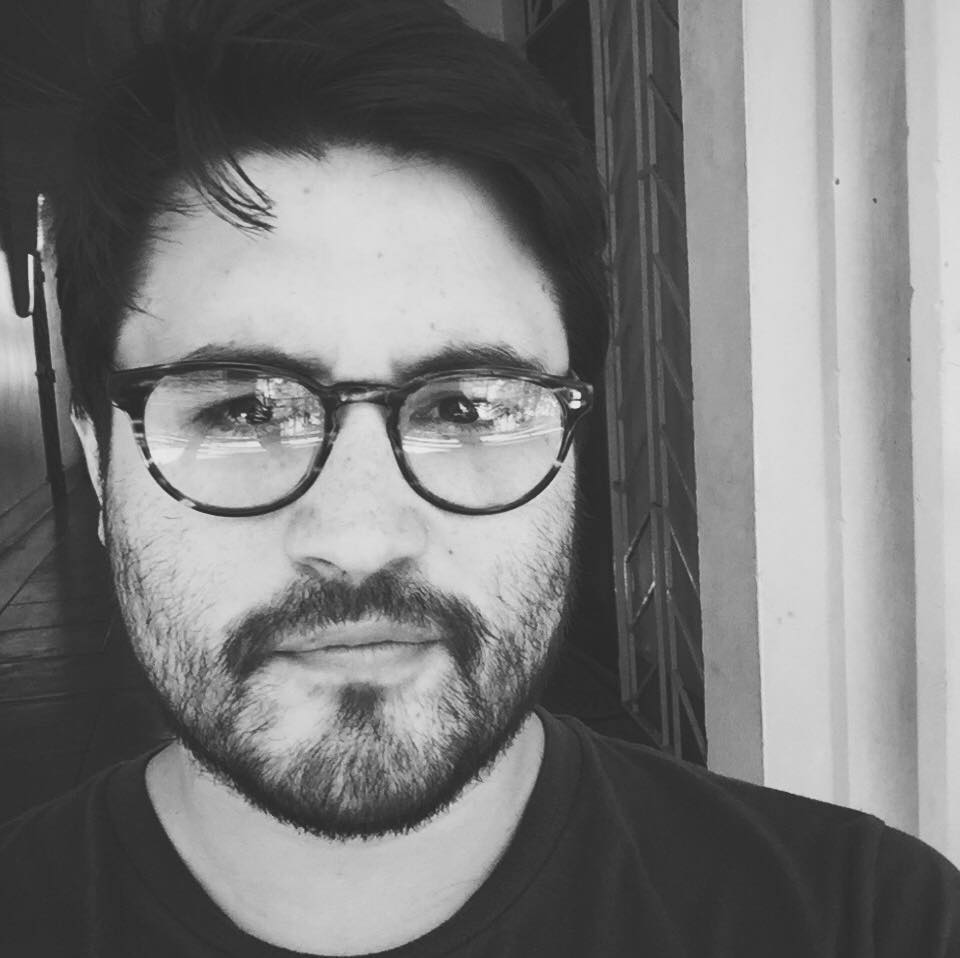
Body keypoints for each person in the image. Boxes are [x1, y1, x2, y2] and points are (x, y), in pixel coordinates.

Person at [1, 1, 958, 954]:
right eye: (244, 412)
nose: (361, 537)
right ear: (101, 462)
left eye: (466, 408)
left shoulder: (873, 923)